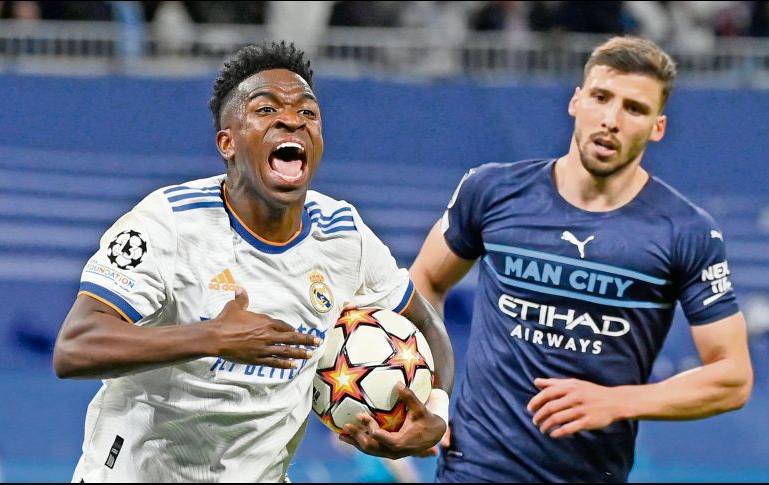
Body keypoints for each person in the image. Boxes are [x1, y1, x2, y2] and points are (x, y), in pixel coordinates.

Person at [53, 40, 453, 482]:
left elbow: (427, 325)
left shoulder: (344, 233)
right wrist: (210, 337)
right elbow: (75, 346)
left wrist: (435, 409)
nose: (291, 120)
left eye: (308, 112)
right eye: (265, 110)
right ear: (227, 143)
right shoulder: (168, 222)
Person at [409, 36, 753, 482]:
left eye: (634, 108)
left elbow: (733, 375)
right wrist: (433, 390)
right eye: (601, 97)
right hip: (474, 467)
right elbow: (425, 281)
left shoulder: (686, 231)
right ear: (576, 101)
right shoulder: (492, 190)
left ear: (657, 127)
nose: (611, 119)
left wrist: (619, 401)